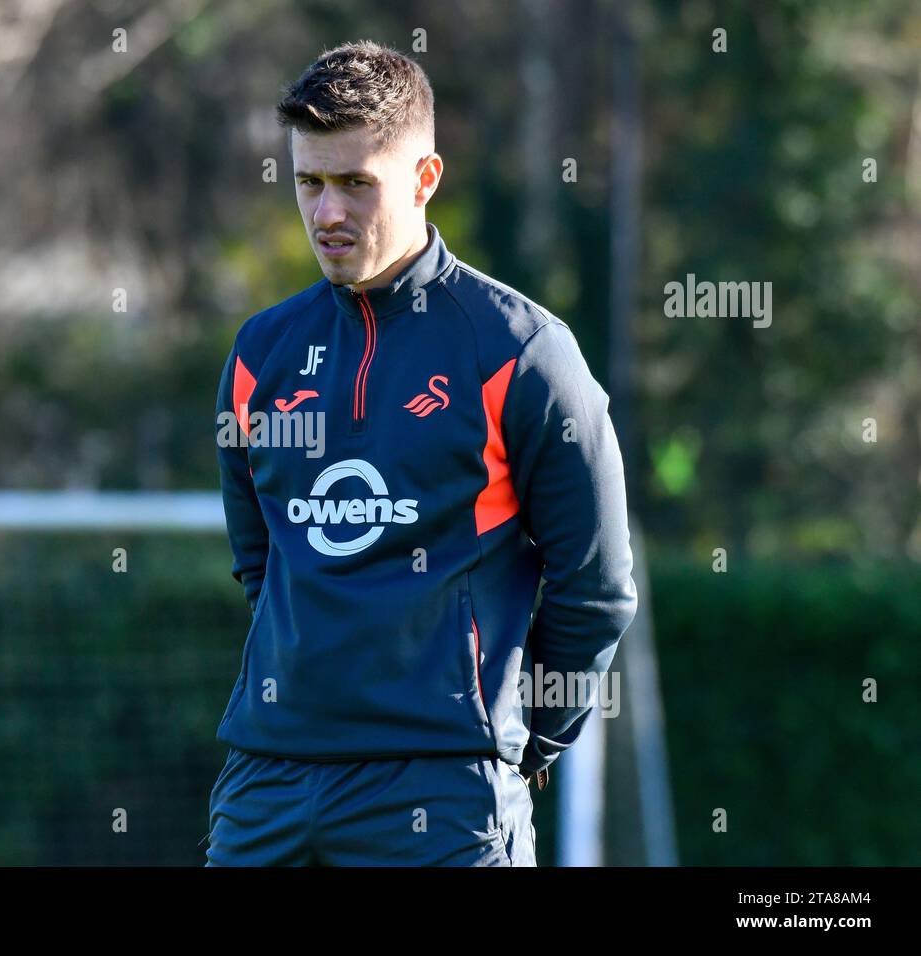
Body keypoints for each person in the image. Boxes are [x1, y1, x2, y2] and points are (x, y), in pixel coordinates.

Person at [205, 40, 637, 866]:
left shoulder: (521, 351)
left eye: (356, 184)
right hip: (267, 786)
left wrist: (520, 743)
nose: (328, 213)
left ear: (424, 178)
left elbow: (598, 588)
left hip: (441, 797)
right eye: (310, 183)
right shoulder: (261, 354)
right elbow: (262, 566)